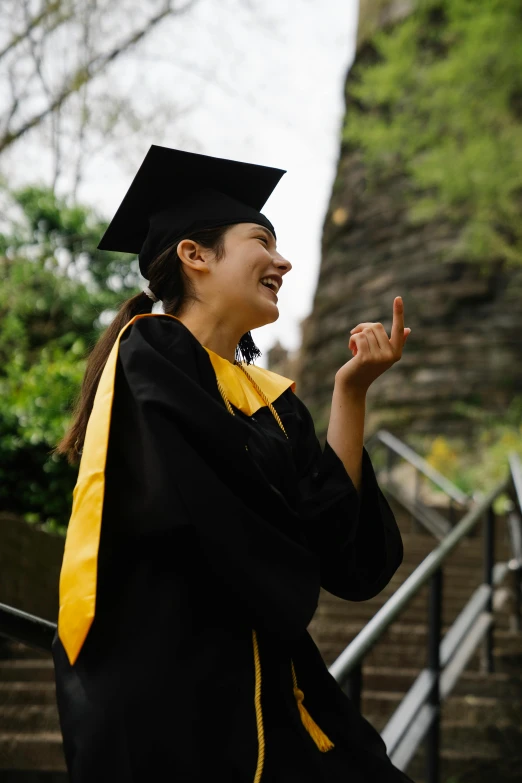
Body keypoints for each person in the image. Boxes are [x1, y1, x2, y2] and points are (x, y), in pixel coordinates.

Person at [52, 145, 413, 782]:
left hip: (273, 680)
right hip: (177, 682)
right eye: (261, 240)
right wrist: (294, 526)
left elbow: (343, 553)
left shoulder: (271, 402)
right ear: (195, 254)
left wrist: (350, 393)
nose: (284, 260)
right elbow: (208, 510)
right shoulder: (152, 353)